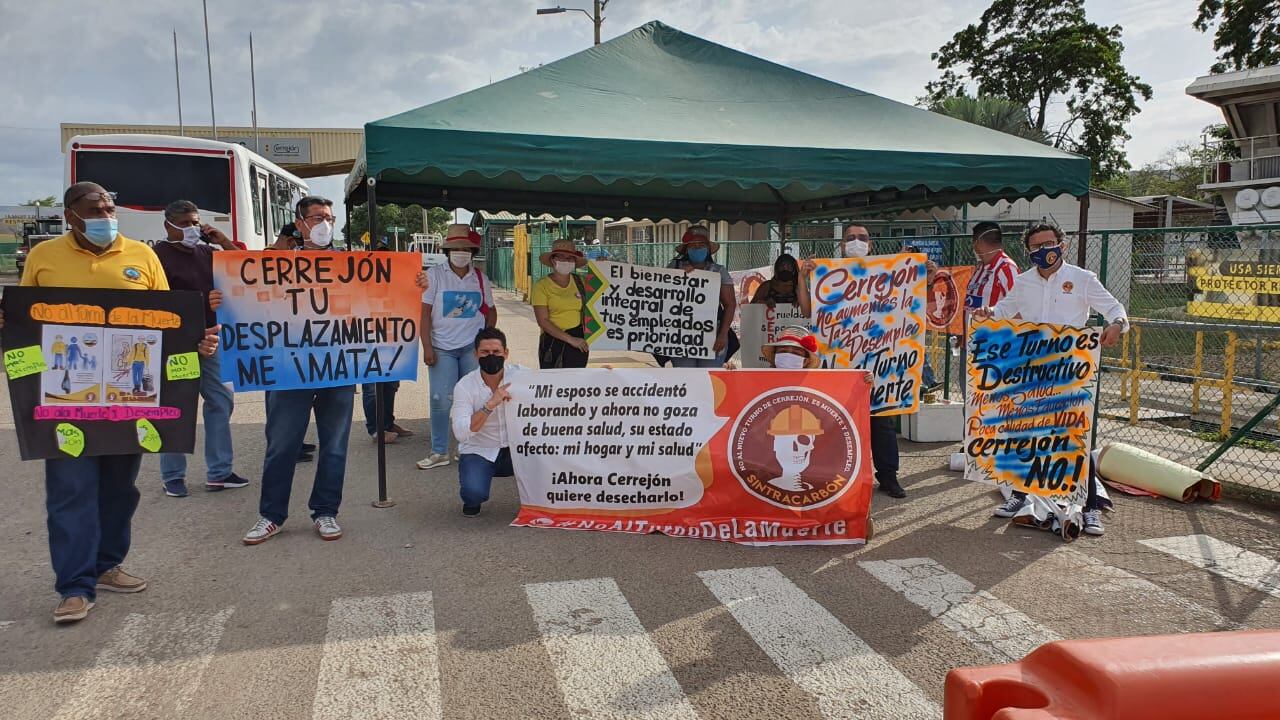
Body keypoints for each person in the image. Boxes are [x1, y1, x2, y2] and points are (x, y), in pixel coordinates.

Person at [2, 182, 218, 624]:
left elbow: (169, 321)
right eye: (94, 208)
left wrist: (198, 342)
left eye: (109, 207)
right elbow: (26, 319)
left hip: (128, 399)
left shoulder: (141, 256)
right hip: (65, 402)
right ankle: (74, 586)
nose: (105, 215)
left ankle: (107, 565)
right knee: (70, 490)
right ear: (70, 215)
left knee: (120, 490)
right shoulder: (44, 256)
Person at [974, 222, 1128, 536]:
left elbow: (1114, 308)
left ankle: (1090, 508)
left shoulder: (1082, 279)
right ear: (1028, 251)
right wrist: (989, 313)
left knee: (1075, 438)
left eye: (1049, 244)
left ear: (1062, 245)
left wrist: (1117, 324)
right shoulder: (1023, 282)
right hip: (1031, 370)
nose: (1045, 251)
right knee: (1025, 434)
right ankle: (1019, 496)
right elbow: (1004, 310)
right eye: (1037, 247)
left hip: (1070, 372)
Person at [242, 196, 352, 546]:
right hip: (288, 369)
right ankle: (271, 515)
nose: (325, 224)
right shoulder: (275, 265)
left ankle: (326, 511)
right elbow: (248, 299)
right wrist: (222, 300)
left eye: (330, 218)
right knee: (282, 444)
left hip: (337, 368)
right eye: (317, 218)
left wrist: (413, 286)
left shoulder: (349, 263)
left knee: (335, 445)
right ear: (300, 223)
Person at [152, 199, 249, 498]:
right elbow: (154, 303)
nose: (192, 229)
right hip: (175, 342)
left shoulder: (207, 252)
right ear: (168, 225)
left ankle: (219, 472)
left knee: (220, 401)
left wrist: (222, 240)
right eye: (184, 224)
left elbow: (244, 268)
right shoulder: (156, 257)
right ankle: (172, 475)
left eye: (195, 223)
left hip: (211, 340)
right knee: (175, 406)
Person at [814, 225, 907, 498]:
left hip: (878, 360)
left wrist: (922, 277)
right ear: (842, 245)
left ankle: (888, 477)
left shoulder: (886, 273)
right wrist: (804, 278)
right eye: (851, 238)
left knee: (882, 422)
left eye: (863, 238)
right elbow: (811, 310)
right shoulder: (828, 275)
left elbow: (906, 302)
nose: (857, 242)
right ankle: (837, 476)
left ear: (872, 244)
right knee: (838, 420)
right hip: (841, 360)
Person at [417, 224, 497, 470]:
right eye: (456, 248)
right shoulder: (434, 275)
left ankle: (469, 448)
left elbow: (491, 312)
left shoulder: (480, 278)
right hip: (442, 348)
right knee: (440, 400)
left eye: (466, 249)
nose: (461, 253)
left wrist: (484, 341)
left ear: (472, 252)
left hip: (471, 349)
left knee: (474, 399)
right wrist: (427, 347)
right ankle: (439, 451)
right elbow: (424, 314)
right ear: (447, 251)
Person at [451, 327, 525, 517]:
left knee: (551, 462)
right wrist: (490, 404)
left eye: (496, 352)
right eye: (485, 352)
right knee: (473, 494)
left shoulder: (522, 376)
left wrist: (594, 379)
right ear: (475, 354)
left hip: (516, 448)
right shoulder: (464, 386)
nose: (491, 356)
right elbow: (461, 432)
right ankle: (474, 483)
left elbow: (555, 388)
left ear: (506, 353)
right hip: (480, 449)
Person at [361, 241, 414, 444]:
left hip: (392, 339)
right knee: (372, 388)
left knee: (391, 384)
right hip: (367, 341)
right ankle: (376, 430)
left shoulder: (396, 281)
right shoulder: (360, 282)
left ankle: (388, 424)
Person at [666, 226, 736, 368]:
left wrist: (722, 334)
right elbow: (662, 295)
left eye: (701, 245)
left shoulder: (719, 271)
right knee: (685, 377)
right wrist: (678, 276)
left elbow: (730, 305)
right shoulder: (674, 267)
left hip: (712, 334)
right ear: (686, 249)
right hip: (680, 334)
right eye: (693, 245)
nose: (697, 248)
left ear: (708, 249)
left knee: (708, 376)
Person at [532, 239, 590, 369]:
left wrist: (604, 267)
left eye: (570, 258)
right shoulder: (542, 286)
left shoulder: (581, 282)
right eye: (561, 257)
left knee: (577, 380)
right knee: (554, 380)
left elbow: (603, 296)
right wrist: (570, 339)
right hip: (553, 342)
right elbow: (543, 321)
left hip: (579, 342)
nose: (566, 261)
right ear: (553, 260)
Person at [965, 221, 1019, 312]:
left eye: (973, 242)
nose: (973, 246)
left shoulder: (1006, 268)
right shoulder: (980, 267)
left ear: (979, 242)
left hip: (993, 322)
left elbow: (1017, 306)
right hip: (972, 322)